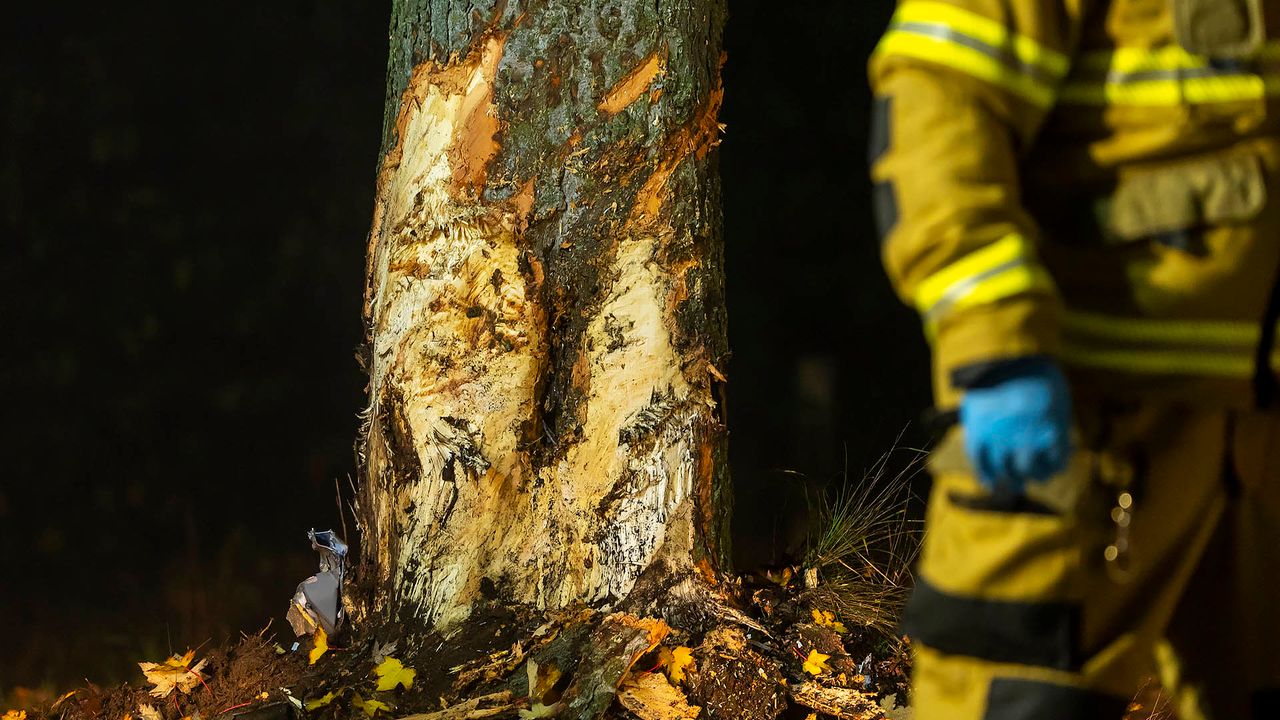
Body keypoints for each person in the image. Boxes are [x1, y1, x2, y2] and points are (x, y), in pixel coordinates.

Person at [868, 1, 1280, 718]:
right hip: (1084, 425)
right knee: (1011, 698)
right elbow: (940, 109)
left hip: (1258, 430)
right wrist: (996, 348)